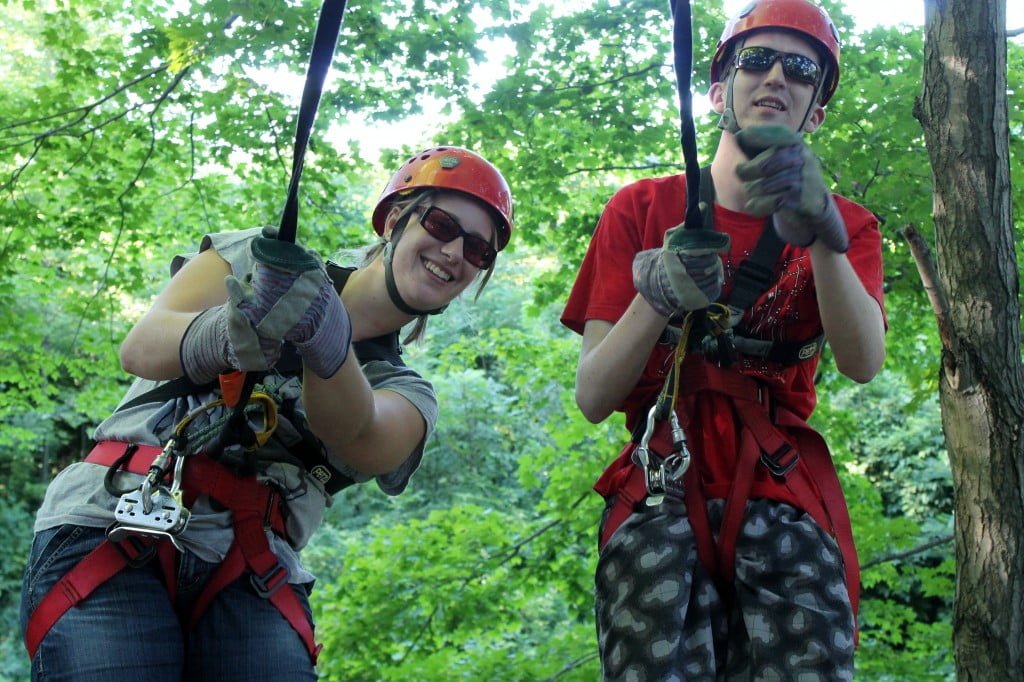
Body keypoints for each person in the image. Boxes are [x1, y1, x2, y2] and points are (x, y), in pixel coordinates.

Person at [20, 146, 514, 681]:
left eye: (479, 251)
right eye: (442, 224)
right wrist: (226, 333)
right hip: (113, 517)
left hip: (252, 571)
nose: (455, 251)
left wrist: (324, 338)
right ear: (396, 218)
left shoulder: (406, 392)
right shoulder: (258, 261)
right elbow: (141, 347)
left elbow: (360, 433)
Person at [561, 1, 886, 679]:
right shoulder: (642, 208)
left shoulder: (848, 225)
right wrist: (656, 299)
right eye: (756, 60)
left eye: (801, 70)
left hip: (782, 494)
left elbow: (862, 362)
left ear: (814, 114)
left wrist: (822, 231)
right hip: (659, 489)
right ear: (718, 92)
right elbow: (594, 396)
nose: (777, 77)